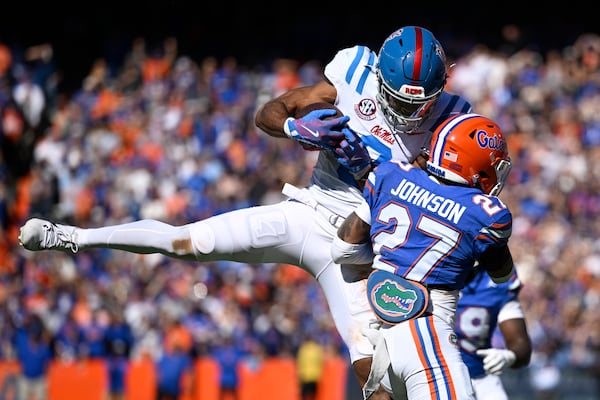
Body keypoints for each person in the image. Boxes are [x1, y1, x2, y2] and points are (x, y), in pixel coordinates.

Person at [18, 25, 472, 397]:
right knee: (188, 242)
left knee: (371, 376)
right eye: (399, 98)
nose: (408, 113)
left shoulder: (453, 120)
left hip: (360, 253)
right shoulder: (355, 71)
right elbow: (271, 112)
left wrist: (393, 175)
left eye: (419, 103)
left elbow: (453, 194)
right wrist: (299, 124)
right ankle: (73, 236)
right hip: (310, 215)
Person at [330, 113, 514, 399]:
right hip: (426, 332)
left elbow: (343, 249)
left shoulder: (390, 175)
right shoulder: (485, 213)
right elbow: (502, 273)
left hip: (373, 342)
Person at [456, 266, 532, 400]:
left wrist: (508, 356)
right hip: (427, 375)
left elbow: (521, 345)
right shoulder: (425, 266)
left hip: (479, 377)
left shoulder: (497, 278)